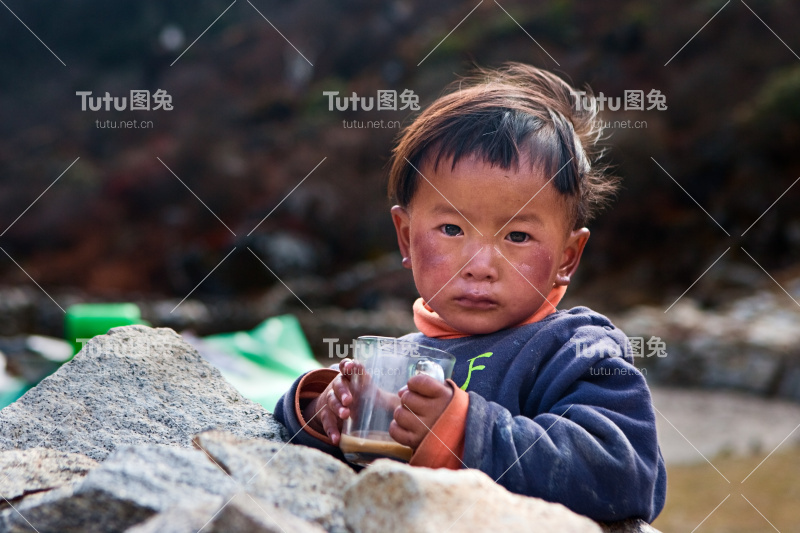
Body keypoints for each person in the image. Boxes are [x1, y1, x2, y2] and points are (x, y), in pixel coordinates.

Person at [275, 62, 666, 523]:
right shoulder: (399, 361)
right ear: (405, 238)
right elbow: (296, 449)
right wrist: (325, 410)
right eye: (450, 229)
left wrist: (460, 431)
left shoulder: (576, 350)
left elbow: (626, 473)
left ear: (567, 256)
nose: (480, 266)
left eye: (517, 236)